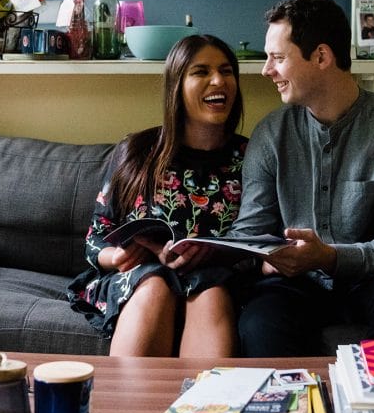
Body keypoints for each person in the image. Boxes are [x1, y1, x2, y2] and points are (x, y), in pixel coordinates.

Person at [231, 0, 374, 356]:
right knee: (259, 319)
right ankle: (284, 411)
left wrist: (328, 257)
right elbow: (251, 231)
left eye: (278, 58)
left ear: (322, 57)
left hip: (372, 279)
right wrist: (260, 256)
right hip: (294, 283)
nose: (266, 70)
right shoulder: (270, 134)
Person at [68, 35, 246, 357]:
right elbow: (97, 235)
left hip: (215, 282)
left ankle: (205, 406)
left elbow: (260, 239)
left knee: (210, 290)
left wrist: (216, 254)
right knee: (154, 285)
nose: (218, 81)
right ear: (176, 85)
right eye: (201, 72)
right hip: (141, 279)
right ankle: (131, 407)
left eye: (226, 71)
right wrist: (117, 258)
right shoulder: (137, 151)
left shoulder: (250, 156)